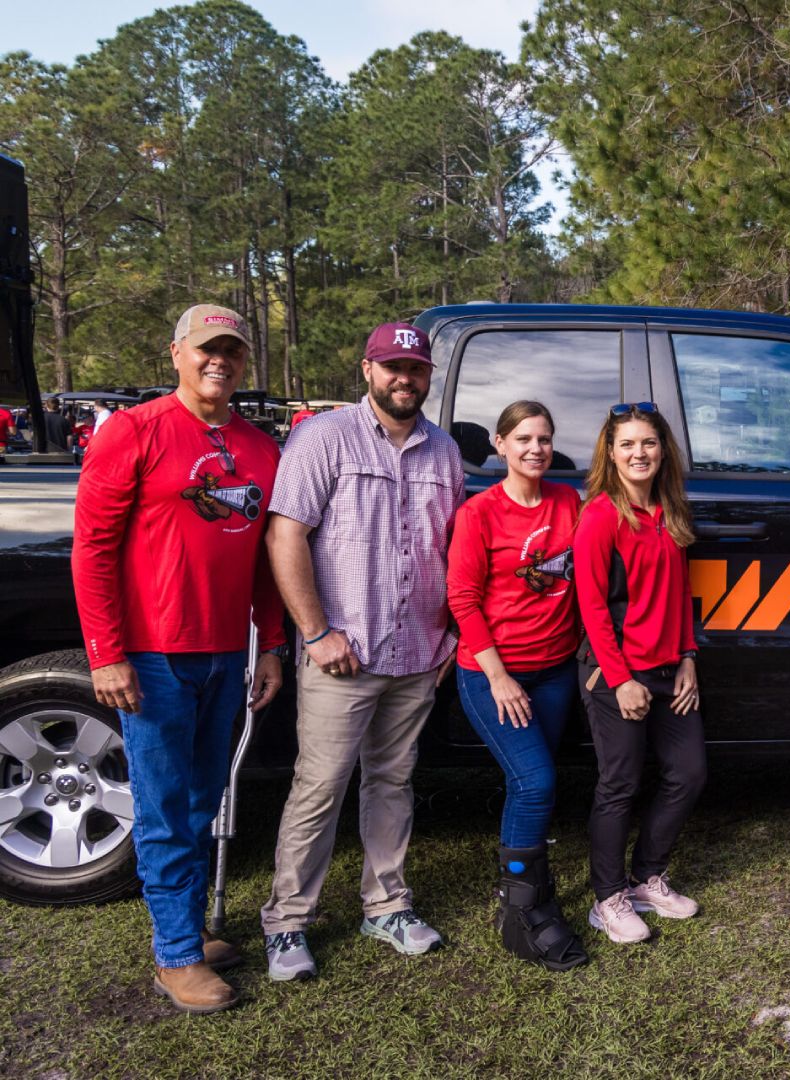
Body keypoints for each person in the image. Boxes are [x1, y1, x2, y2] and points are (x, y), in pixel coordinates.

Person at [71, 304, 287, 1014]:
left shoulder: (261, 448)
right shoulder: (132, 432)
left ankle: (185, 929)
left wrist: (271, 645)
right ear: (177, 354)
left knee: (201, 801)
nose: (217, 359)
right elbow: (93, 548)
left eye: (230, 349)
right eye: (205, 348)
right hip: (154, 656)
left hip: (226, 654)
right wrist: (107, 653)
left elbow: (264, 560)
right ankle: (175, 957)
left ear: (244, 362)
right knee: (164, 808)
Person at [259, 321, 464, 981]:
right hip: (341, 655)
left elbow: (453, 548)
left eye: (415, 367)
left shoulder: (445, 452)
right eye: (392, 366)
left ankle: (386, 905)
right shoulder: (324, 438)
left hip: (417, 653)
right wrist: (316, 633)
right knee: (319, 787)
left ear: (428, 374)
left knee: (392, 783)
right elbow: (285, 536)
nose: (404, 378)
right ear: (367, 369)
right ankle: (288, 922)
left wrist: (450, 634)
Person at [446, 400, 589, 970]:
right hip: (492, 673)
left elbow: (586, 574)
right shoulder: (479, 513)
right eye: (523, 438)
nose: (536, 449)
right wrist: (500, 676)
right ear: (500, 445)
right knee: (535, 782)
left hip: (554, 668)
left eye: (545, 439)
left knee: (528, 783)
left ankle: (524, 889)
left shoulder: (565, 500)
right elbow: (463, 598)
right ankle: (521, 916)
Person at [574, 401, 706, 944]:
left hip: (668, 669)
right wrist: (621, 677)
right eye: (627, 443)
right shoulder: (602, 513)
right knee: (620, 784)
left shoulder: (670, 511)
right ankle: (607, 899)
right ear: (610, 451)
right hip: (615, 674)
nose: (639, 452)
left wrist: (689, 657)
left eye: (648, 442)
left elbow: (680, 597)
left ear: (662, 449)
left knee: (689, 773)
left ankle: (646, 878)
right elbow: (592, 605)